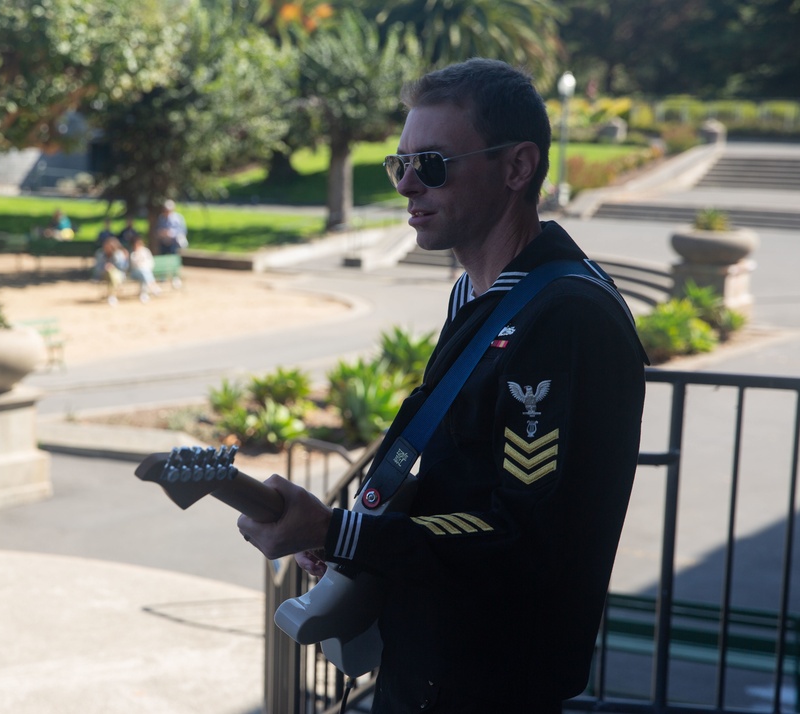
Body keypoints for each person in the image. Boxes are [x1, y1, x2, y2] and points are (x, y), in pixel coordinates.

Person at [237, 59, 647, 713]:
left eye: (430, 164)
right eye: (397, 164)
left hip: (488, 676)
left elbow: (526, 537)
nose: (405, 185)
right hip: (433, 656)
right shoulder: (482, 293)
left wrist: (348, 533)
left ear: (517, 169)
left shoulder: (565, 317)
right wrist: (348, 533)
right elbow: (464, 479)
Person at [91, 236, 129, 306]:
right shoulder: (100, 254)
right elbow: (97, 268)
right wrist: (104, 267)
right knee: (110, 273)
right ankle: (112, 295)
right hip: (103, 274)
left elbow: (123, 267)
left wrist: (113, 267)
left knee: (112, 274)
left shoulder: (118, 254)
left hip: (117, 275)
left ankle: (112, 295)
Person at [127, 236, 162, 303]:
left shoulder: (145, 251)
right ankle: (153, 287)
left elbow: (150, 261)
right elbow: (134, 265)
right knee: (143, 272)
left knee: (144, 274)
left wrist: (145, 267)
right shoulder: (133, 253)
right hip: (136, 272)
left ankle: (144, 294)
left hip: (146, 270)